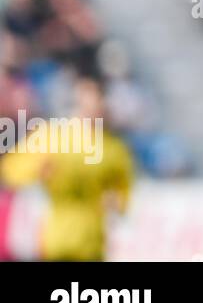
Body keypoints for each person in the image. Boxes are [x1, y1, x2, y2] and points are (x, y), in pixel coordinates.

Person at [0, 75, 134, 261]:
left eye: (97, 99)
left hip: (93, 242)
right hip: (55, 239)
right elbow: (11, 170)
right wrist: (37, 169)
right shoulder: (53, 137)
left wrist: (116, 202)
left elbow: (124, 195)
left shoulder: (114, 149)